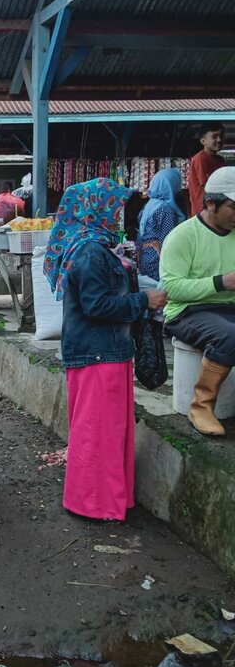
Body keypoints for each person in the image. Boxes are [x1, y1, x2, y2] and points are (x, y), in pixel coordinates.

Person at [44, 178, 167, 520]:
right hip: (98, 353)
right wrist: (143, 299)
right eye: (113, 207)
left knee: (105, 430)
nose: (117, 215)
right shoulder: (89, 251)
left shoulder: (94, 246)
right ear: (94, 209)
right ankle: (94, 503)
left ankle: (105, 500)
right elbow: (96, 305)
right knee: (98, 431)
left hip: (103, 351)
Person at [161, 167, 235, 437]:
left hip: (229, 307)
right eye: (233, 207)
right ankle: (201, 405)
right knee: (230, 334)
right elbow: (172, 288)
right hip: (187, 311)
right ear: (211, 203)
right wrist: (220, 282)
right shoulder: (183, 236)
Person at [137, 167, 185, 284]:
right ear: (171, 185)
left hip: (146, 258)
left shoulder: (149, 205)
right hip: (157, 262)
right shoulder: (166, 210)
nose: (179, 189)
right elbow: (168, 241)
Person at [187, 122, 225, 217]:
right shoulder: (200, 159)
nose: (219, 140)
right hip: (204, 211)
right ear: (203, 141)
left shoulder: (220, 160)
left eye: (221, 136)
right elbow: (208, 187)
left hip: (217, 209)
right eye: (214, 137)